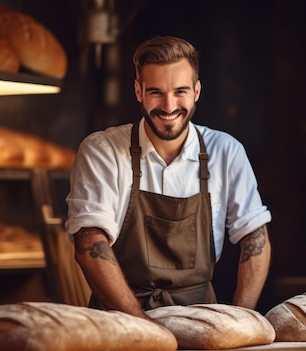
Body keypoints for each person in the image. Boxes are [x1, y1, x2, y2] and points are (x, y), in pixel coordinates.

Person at [65, 35, 272, 320]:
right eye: (155, 92)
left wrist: (241, 321)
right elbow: (89, 244)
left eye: (180, 91)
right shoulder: (103, 151)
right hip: (120, 323)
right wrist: (144, 326)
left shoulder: (226, 152)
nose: (169, 105)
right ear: (138, 91)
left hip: (202, 323)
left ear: (197, 91)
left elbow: (255, 239)